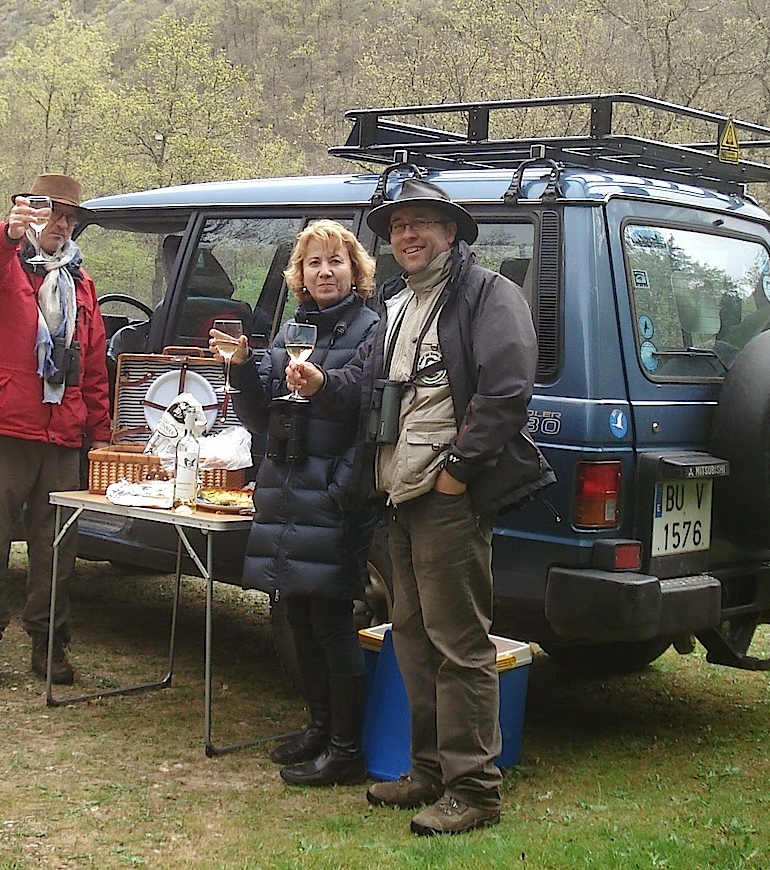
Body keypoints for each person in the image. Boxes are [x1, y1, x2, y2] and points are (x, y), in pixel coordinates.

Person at [285, 178, 552, 836]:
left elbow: (506, 392)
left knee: (459, 644)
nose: (408, 234)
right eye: (399, 225)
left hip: (446, 501)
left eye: (422, 222)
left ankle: (474, 790)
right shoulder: (398, 304)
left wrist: (458, 474)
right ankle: (428, 772)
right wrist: (319, 383)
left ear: (449, 232)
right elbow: (361, 388)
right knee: (411, 639)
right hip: (398, 498)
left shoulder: (489, 295)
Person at [220, 220, 380, 787]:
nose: (325, 272)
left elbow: (365, 407)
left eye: (336, 261)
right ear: (300, 275)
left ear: (355, 271)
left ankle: (346, 749)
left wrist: (340, 486)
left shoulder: (372, 330)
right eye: (314, 263)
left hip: (334, 497)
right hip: (287, 493)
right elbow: (258, 416)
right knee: (295, 617)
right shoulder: (293, 329)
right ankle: (319, 727)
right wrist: (242, 367)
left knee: (332, 622)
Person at [0, 173, 111, 690]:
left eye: (68, 218)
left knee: (57, 546)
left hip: (62, 431)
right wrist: (7, 233)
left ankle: (49, 641)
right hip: (2, 425)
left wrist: (101, 432)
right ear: (30, 215)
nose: (60, 225)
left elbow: (93, 366)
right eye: (51, 214)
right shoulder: (2, 264)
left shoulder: (80, 282)